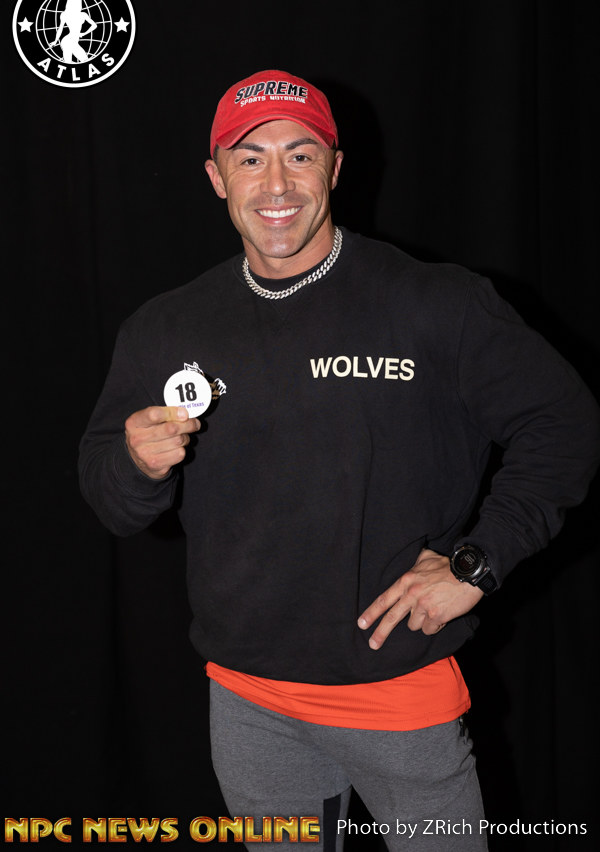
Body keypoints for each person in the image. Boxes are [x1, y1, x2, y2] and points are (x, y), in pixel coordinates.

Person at [79, 69, 600, 850]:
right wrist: (134, 461)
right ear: (216, 177)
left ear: (336, 168)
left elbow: (564, 424)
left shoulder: (432, 302)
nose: (276, 184)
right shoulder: (165, 327)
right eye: (250, 159)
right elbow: (108, 495)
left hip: (398, 693)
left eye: (301, 155)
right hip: (249, 701)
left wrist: (476, 563)